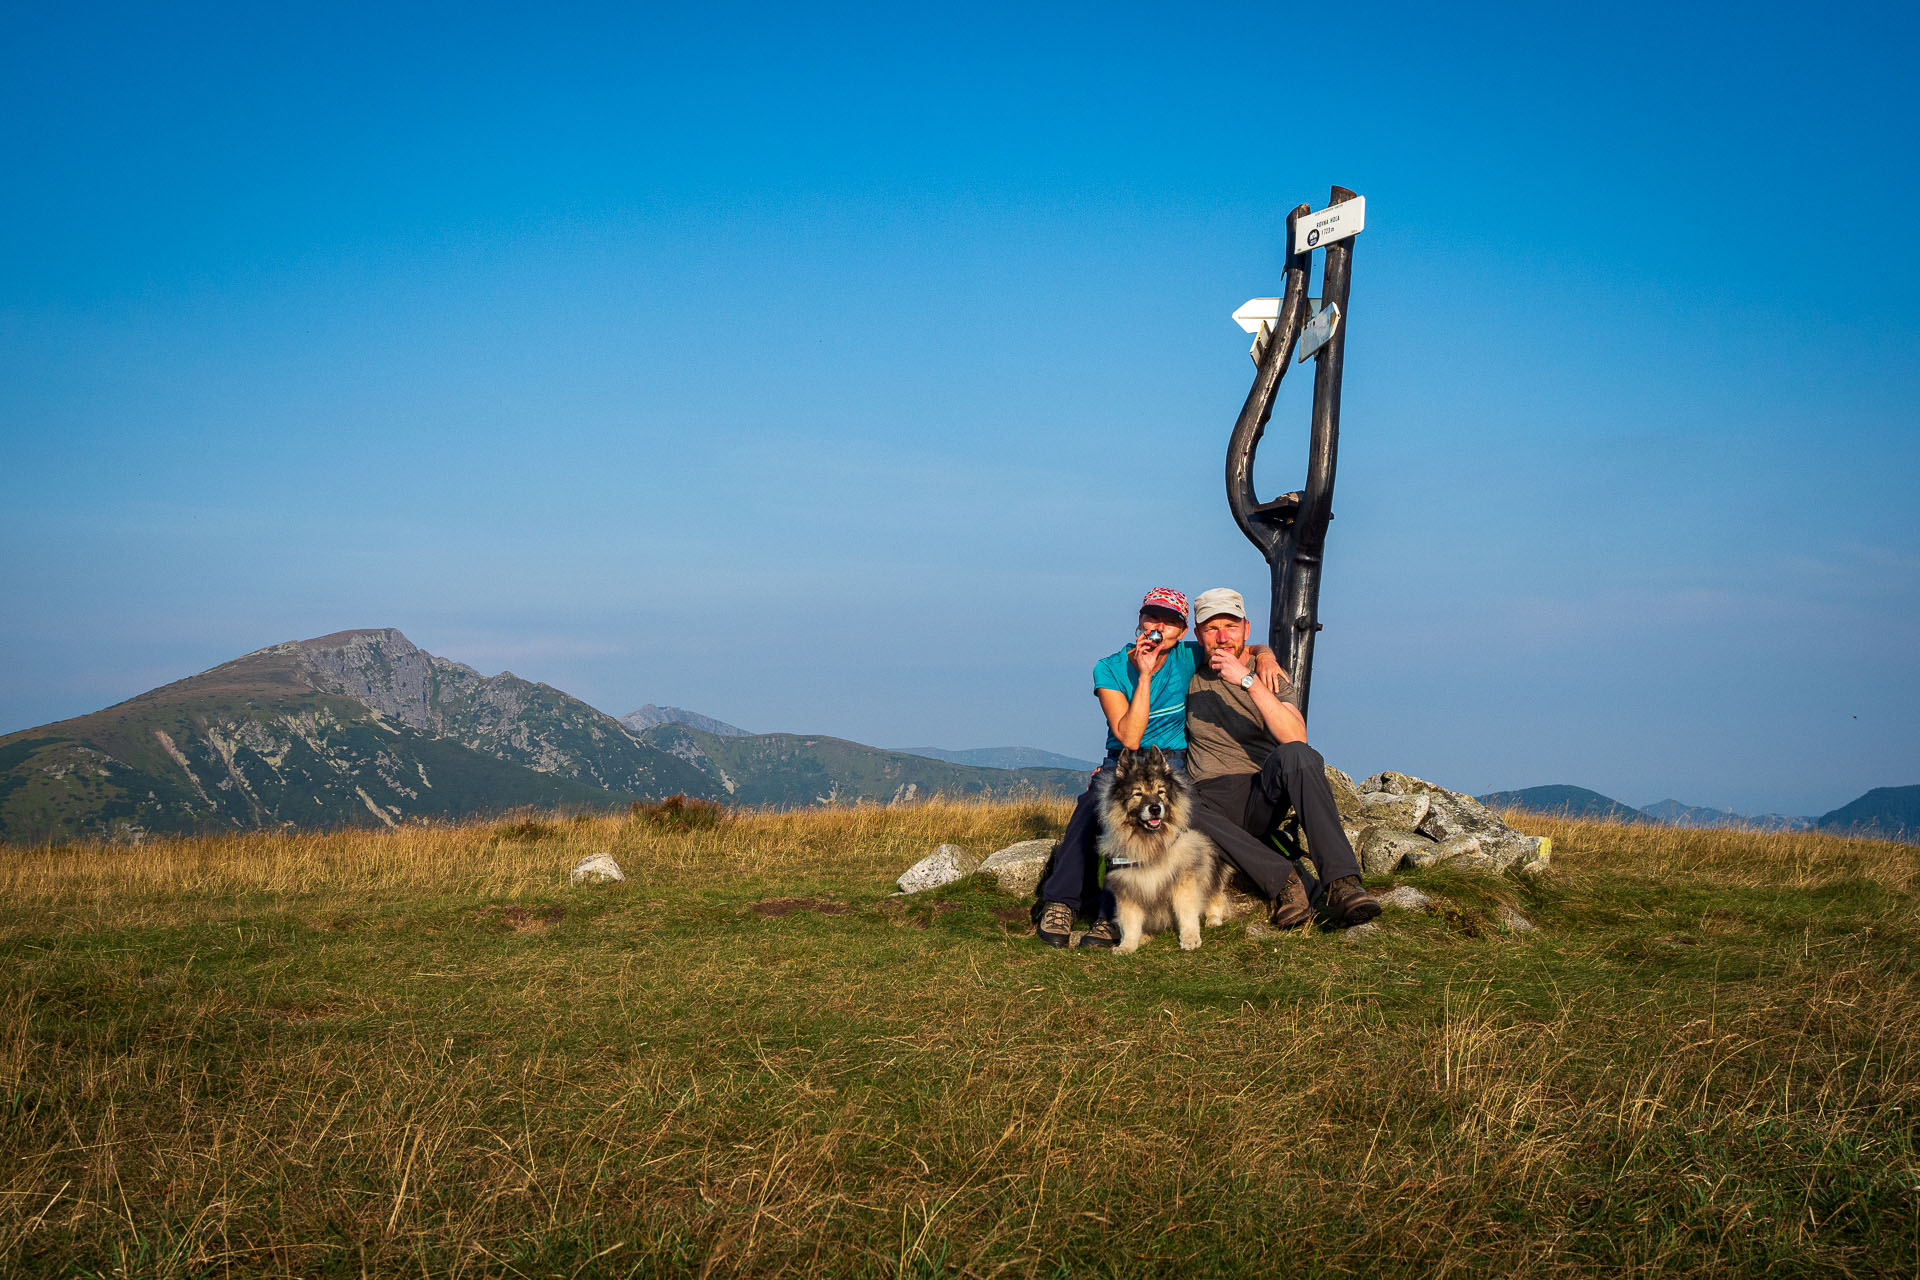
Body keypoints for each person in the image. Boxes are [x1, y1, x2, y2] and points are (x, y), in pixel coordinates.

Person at [1034, 588, 1283, 948]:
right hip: (1124, 758)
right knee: (1093, 808)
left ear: (1182, 633)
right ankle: (1062, 902)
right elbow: (1130, 738)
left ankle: (1110, 917)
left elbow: (1237, 645)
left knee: (1173, 820)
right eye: (1153, 618)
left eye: (1170, 622)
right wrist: (1145, 674)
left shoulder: (1188, 655)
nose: (1159, 627)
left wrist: (1266, 657)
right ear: (1139, 620)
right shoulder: (1110, 668)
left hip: (1171, 761)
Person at [1182, 587, 1380, 928]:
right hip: (1208, 800)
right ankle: (1287, 881)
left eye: (1231, 626)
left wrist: (1248, 678)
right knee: (1174, 802)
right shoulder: (1187, 669)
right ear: (1198, 634)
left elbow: (1296, 737)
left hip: (1261, 793)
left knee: (1298, 755)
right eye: (1211, 628)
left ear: (1246, 628)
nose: (1222, 636)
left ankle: (1343, 885)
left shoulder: (1268, 676)